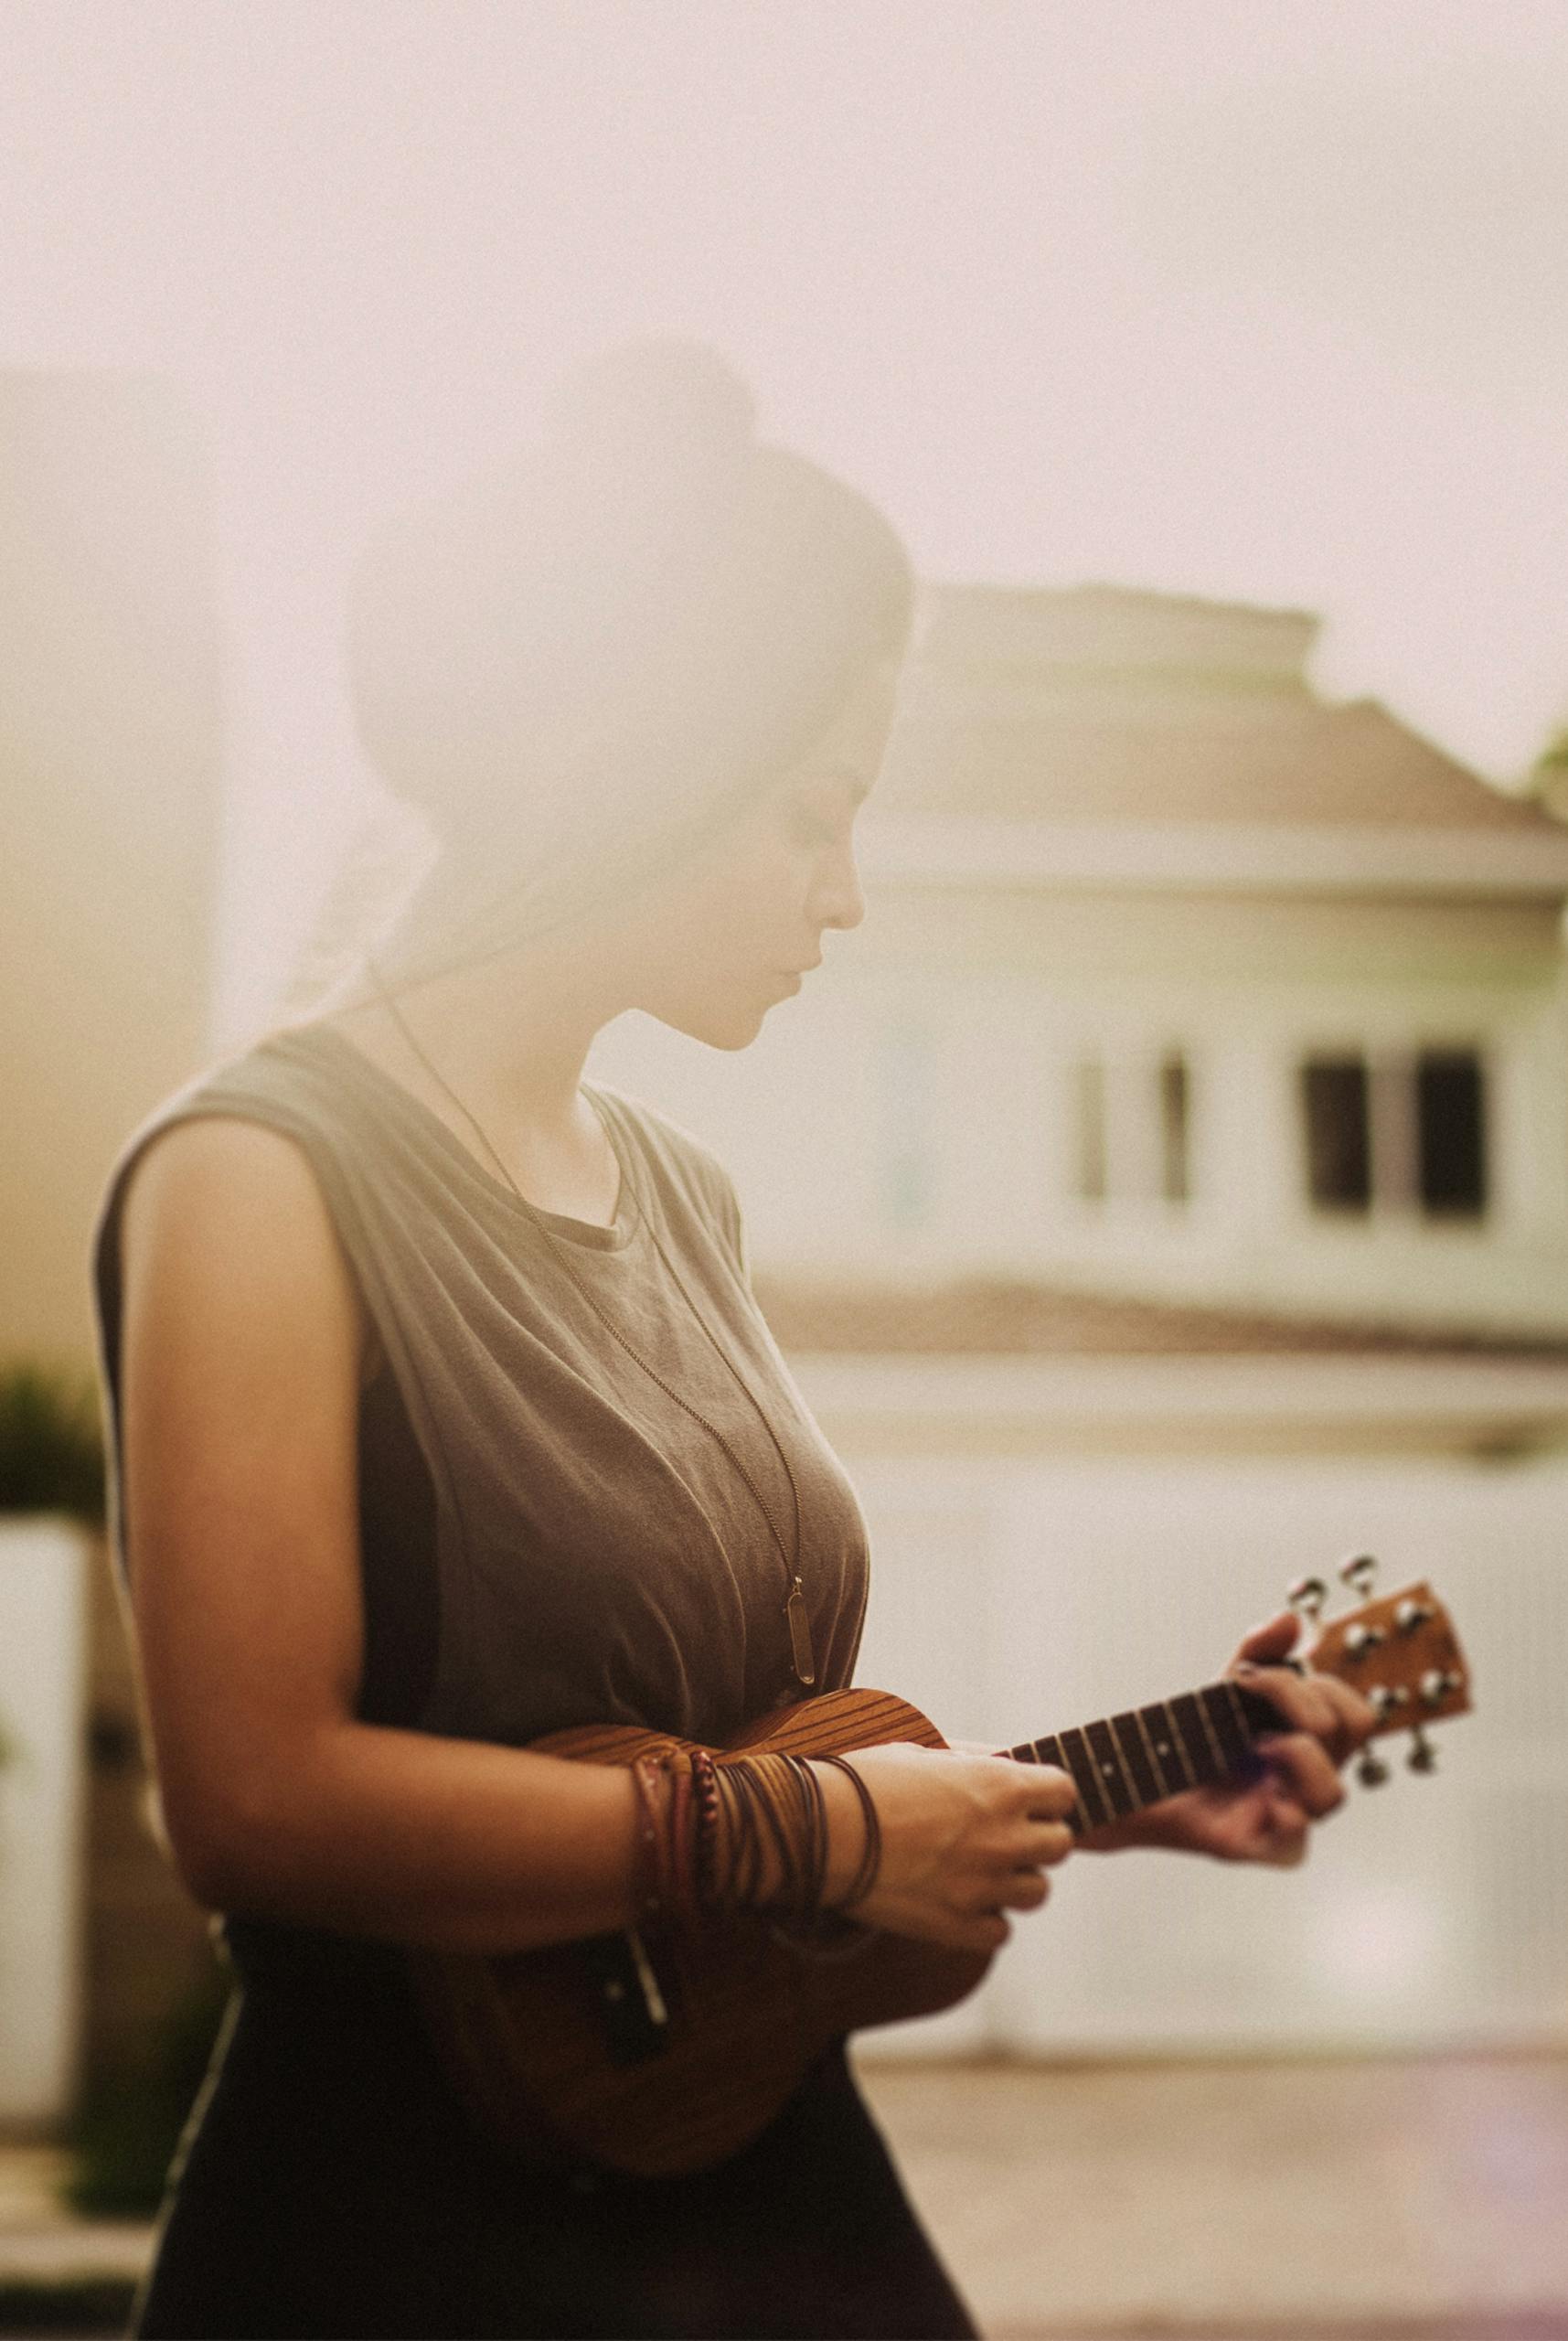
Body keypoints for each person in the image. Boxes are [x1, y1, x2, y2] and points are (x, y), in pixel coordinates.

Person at [91, 339, 1374, 2341]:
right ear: (640, 753)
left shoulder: (687, 1194)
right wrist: (851, 1825)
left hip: (773, 2212)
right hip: (402, 2248)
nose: (846, 893)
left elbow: (746, 1790)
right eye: (808, 811)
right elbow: (257, 1798)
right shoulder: (258, 1172)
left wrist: (1111, 1786)